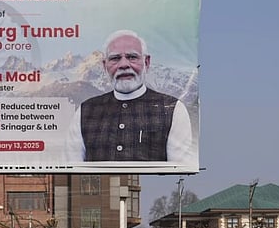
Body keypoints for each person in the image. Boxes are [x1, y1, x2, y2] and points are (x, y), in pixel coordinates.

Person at [66, 29, 195, 166]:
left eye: (132, 57)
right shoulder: (85, 111)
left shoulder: (172, 109)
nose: (123, 65)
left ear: (146, 62)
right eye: (115, 58)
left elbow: (180, 169)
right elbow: (71, 167)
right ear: (104, 66)